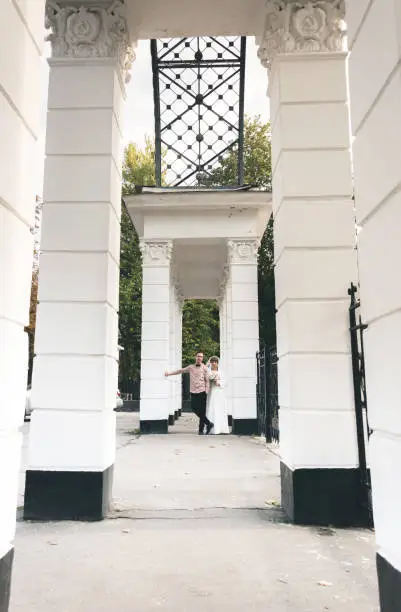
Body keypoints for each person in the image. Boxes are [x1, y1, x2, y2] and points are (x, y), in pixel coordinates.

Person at [165, 351, 214, 435]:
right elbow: (180, 370)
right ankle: (209, 423)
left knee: (202, 411)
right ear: (196, 357)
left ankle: (201, 430)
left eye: (201, 357)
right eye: (198, 356)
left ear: (202, 358)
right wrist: (169, 374)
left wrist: (207, 390)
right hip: (193, 391)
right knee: (193, 408)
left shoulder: (205, 368)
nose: (199, 358)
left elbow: (207, 381)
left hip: (202, 391)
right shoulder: (191, 367)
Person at [206, 356, 230, 435]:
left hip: (219, 392)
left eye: (215, 362)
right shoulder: (208, 372)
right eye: (212, 362)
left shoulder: (221, 372)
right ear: (210, 363)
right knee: (212, 408)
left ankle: (222, 428)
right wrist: (210, 380)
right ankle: (212, 428)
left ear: (217, 363)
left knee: (220, 408)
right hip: (212, 392)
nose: (213, 363)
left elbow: (225, 382)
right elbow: (206, 381)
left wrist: (218, 383)